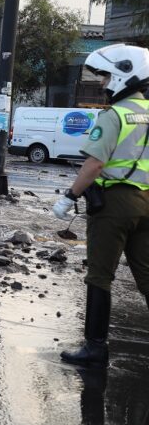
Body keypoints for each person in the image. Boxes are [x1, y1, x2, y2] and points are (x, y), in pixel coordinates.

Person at [53, 43, 149, 368]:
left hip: (115, 205)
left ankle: (95, 349)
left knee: (99, 276)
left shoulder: (115, 116)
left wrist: (69, 196)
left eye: (107, 77)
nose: (105, 84)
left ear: (124, 75)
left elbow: (94, 164)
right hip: (147, 204)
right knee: (147, 276)